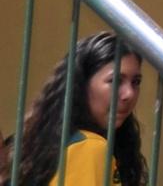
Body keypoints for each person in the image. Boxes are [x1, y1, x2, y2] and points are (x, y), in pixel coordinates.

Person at [16, 33, 145, 186]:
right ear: (81, 85)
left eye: (135, 82)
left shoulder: (56, 144)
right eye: (116, 81)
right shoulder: (90, 148)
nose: (129, 94)